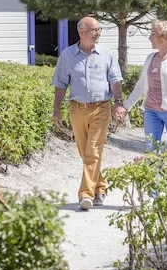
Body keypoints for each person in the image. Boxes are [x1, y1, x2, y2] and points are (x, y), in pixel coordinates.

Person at [52, 16, 125, 211]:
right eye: (94, 29)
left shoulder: (107, 54)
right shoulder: (67, 55)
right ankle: (100, 186)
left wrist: (118, 103)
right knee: (86, 153)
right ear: (81, 31)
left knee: (92, 151)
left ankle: (86, 194)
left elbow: (115, 80)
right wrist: (56, 109)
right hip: (77, 109)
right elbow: (60, 84)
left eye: (99, 29)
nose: (98, 32)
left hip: (102, 107)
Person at [115, 20, 167, 150]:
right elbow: (141, 86)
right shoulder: (150, 58)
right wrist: (126, 107)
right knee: (151, 150)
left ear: (164, 37)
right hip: (151, 111)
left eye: (153, 35)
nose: (150, 38)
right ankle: (155, 172)